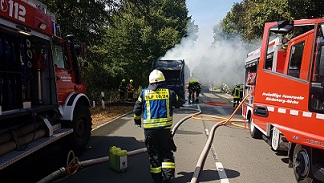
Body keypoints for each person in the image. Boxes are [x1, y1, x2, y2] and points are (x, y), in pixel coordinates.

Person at [133, 69, 182, 183]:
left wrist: (137, 121)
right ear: (163, 81)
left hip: (150, 131)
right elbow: (179, 103)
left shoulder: (144, 93)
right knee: (166, 153)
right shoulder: (170, 93)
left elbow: (137, 109)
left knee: (154, 154)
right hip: (165, 130)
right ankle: (167, 178)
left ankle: (157, 179)